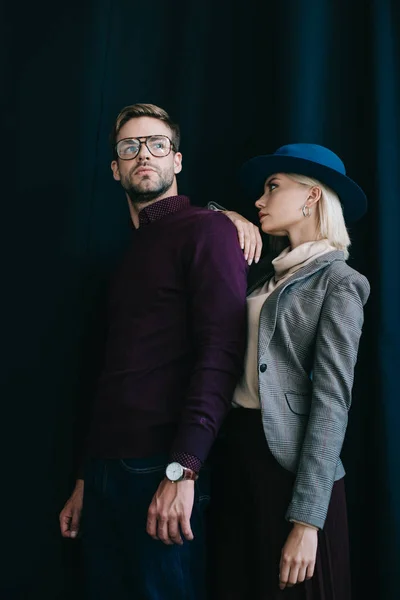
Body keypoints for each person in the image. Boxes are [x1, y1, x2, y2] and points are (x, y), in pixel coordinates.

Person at [59, 103, 251, 600]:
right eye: (130, 147)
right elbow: (113, 374)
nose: (143, 154)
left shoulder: (208, 232)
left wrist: (183, 470)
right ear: (115, 168)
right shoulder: (128, 254)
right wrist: (86, 477)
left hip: (161, 467)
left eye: (156, 144)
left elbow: (221, 352)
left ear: (177, 161)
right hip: (105, 471)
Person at [207, 143, 370, 600]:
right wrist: (227, 217)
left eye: (272, 187)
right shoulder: (264, 277)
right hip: (239, 456)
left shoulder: (340, 282)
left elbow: (332, 402)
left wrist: (307, 521)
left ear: (311, 197)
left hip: (294, 473)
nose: (259, 201)